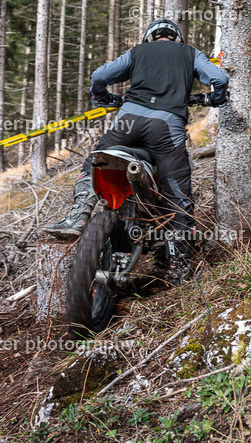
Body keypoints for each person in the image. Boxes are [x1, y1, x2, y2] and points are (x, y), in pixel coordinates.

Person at [44, 18, 229, 284]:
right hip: (165, 126)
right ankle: (180, 266)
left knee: (94, 162)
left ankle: (78, 216)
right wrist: (217, 98)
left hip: (127, 121)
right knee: (177, 190)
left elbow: (99, 77)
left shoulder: (138, 52)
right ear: (176, 38)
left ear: (149, 38)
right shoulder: (190, 53)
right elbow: (220, 78)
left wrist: (101, 96)